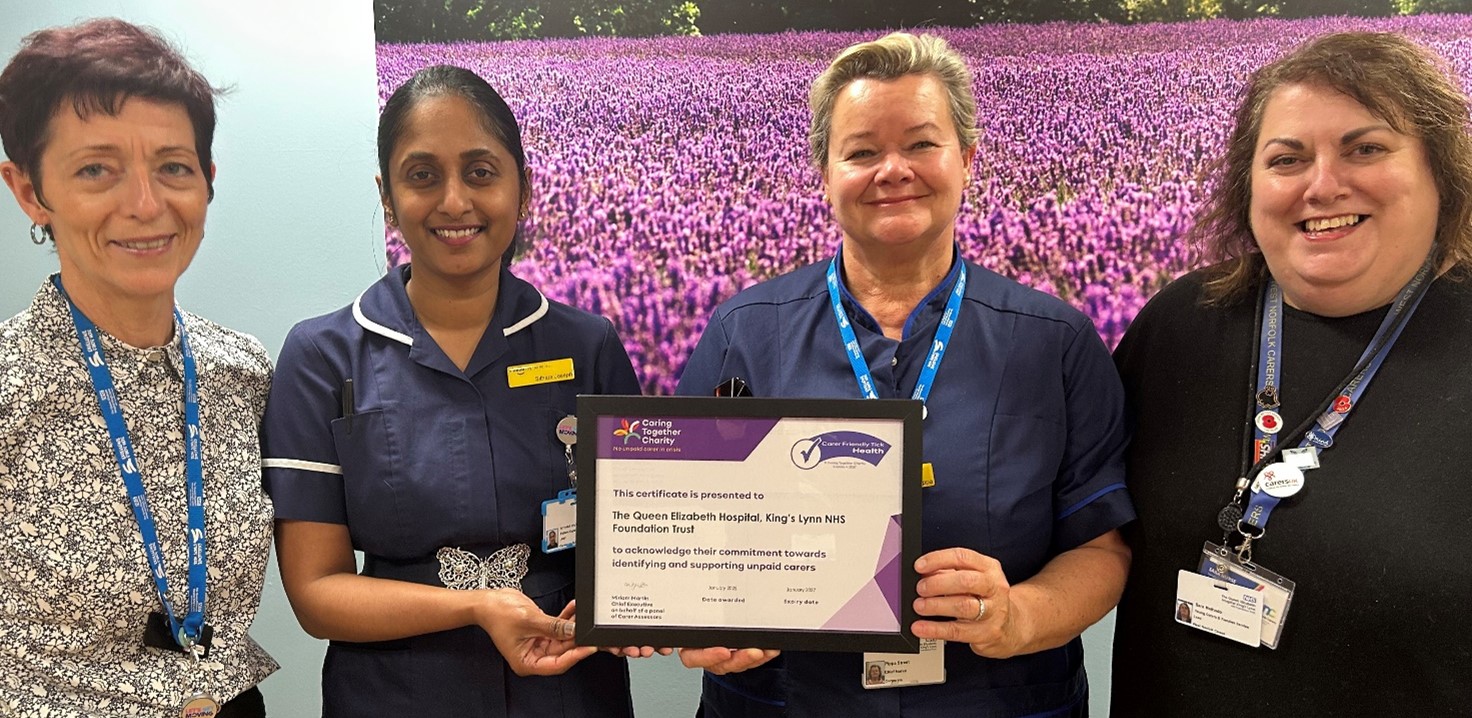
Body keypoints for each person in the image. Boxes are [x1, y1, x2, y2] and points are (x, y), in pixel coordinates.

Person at [676, 32, 1134, 717]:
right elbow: (683, 525)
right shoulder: (745, 331)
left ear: (967, 159)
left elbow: (1102, 547)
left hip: (994, 700)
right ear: (824, 175)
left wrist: (1023, 615)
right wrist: (697, 616)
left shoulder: (1054, 341)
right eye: (860, 152)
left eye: (921, 143)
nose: (892, 170)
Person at [260, 65, 646, 717]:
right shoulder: (322, 357)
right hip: (394, 696)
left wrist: (646, 606)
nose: (454, 201)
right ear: (387, 196)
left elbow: (639, 543)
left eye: (480, 171)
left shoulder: (588, 348)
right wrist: (474, 605)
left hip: (567, 691)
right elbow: (317, 593)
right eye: (422, 175)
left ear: (522, 188)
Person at [1111, 32, 1472, 716]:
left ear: (1440, 171)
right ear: (1249, 186)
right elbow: (1079, 516)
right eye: (1287, 159)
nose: (1323, 184)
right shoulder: (1181, 322)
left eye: (1366, 148)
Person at [0, 18, 275, 716]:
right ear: (30, 191)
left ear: (207, 182)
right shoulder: (10, 386)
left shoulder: (242, 373)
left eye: (173, 167)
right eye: (97, 169)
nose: (147, 205)